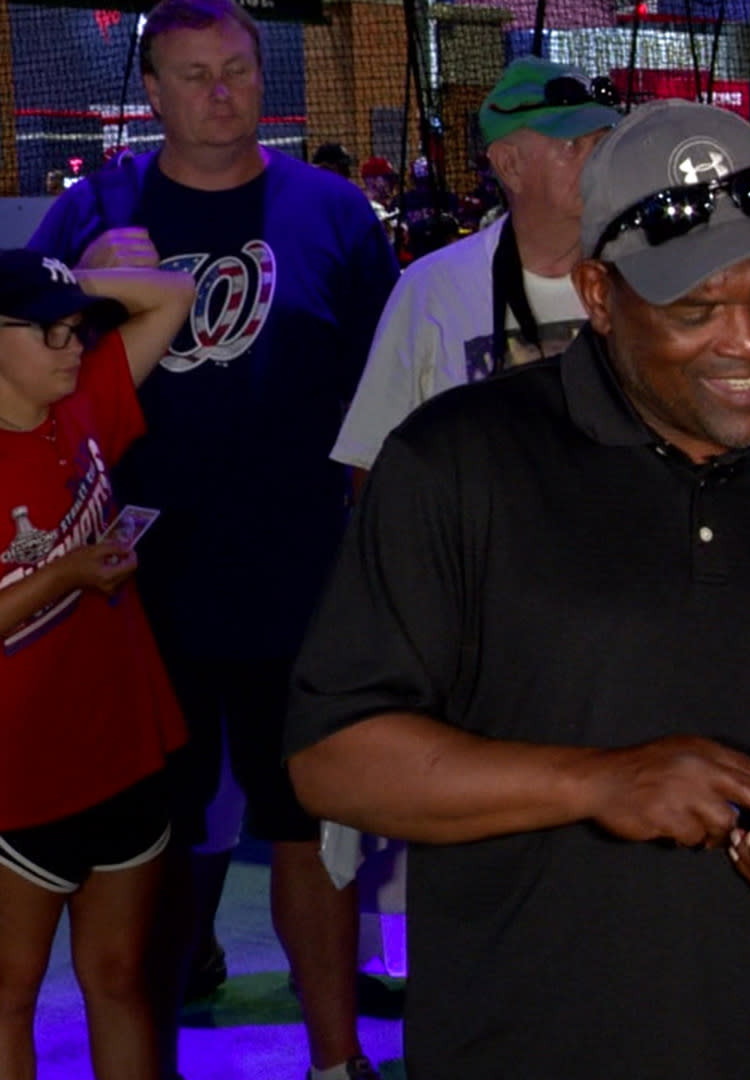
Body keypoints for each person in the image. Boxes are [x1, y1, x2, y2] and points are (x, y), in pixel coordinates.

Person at [284, 101, 750, 1079]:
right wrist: (601, 782)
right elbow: (333, 758)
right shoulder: (460, 462)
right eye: (694, 309)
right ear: (597, 291)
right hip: (518, 1044)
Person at [26, 1, 400, 1077]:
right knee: (154, 842)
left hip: (302, 575)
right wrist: (97, 277)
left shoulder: (331, 211)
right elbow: (32, 383)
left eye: (236, 69)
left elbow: (389, 394)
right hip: (137, 582)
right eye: (193, 75)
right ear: (152, 89)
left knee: (309, 825)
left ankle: (337, 1060)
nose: (221, 93)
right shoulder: (92, 209)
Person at [0, 251, 193, 1080]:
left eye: (76, 329)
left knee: (118, 978)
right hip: (21, 774)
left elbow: (174, 296)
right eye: (49, 331)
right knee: (8, 992)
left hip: (123, 748)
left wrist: (69, 282)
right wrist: (66, 575)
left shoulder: (85, 405)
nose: (71, 345)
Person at [330, 57, 619, 473]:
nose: (597, 160)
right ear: (509, 165)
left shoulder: (638, 272)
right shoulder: (432, 288)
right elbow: (374, 458)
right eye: (572, 145)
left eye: (603, 141)